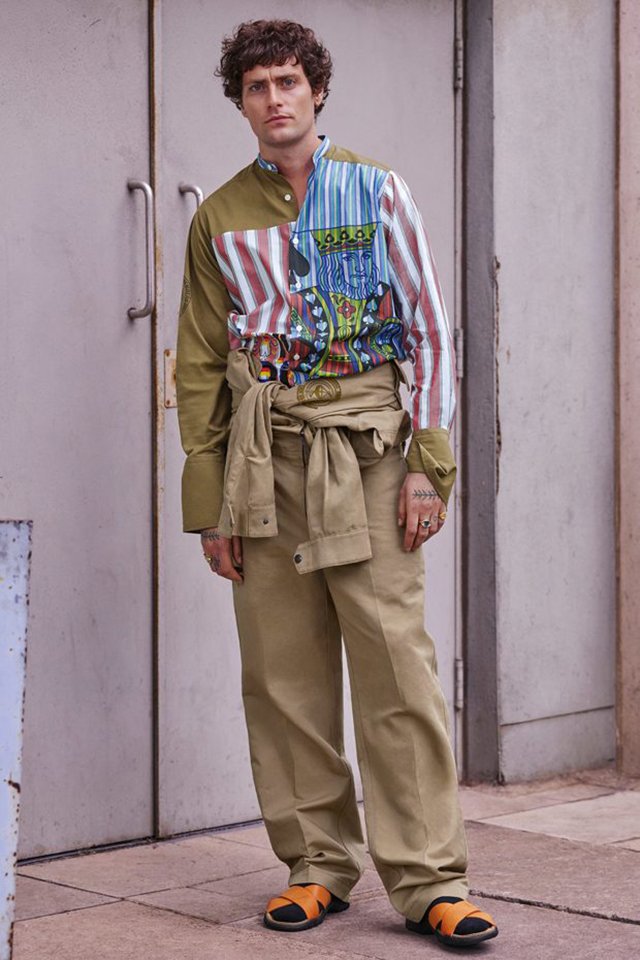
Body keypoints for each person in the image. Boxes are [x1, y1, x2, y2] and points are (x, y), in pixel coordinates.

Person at [176, 18, 498, 950]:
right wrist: (211, 506)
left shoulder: (376, 189)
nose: (274, 99)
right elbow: (199, 365)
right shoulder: (219, 217)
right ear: (241, 104)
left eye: (287, 82)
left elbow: (428, 331)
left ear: (316, 89)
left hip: (369, 452)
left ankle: (431, 880)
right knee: (283, 674)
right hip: (263, 458)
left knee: (396, 665)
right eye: (256, 87)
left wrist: (428, 465)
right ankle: (317, 864)